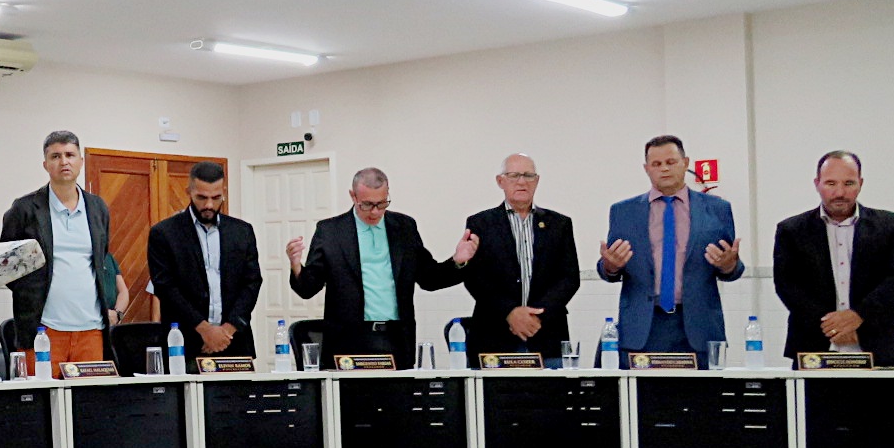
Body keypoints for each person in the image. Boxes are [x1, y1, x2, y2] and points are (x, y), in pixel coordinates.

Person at [285, 167, 476, 368]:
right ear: (353, 196)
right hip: (348, 339)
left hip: (397, 337)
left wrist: (457, 261)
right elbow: (308, 288)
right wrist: (296, 264)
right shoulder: (331, 231)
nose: (375, 211)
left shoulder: (404, 227)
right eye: (367, 204)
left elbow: (429, 278)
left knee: (399, 398)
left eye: (382, 203)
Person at [598, 135, 743, 366]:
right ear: (646, 169)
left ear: (685, 163)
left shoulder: (717, 209)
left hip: (698, 326)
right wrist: (610, 266)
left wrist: (729, 265)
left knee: (702, 399)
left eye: (671, 162)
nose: (664, 169)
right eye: (656, 164)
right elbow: (608, 268)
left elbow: (732, 267)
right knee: (641, 400)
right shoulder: (623, 212)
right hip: (643, 327)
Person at [772, 151, 894, 368]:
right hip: (813, 347)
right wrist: (834, 327)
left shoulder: (892, 226)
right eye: (830, 183)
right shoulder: (791, 230)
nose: (840, 192)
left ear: (861, 183)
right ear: (817, 184)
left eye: (848, 183)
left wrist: (858, 317)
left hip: (878, 345)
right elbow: (787, 284)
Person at [0, 131, 116, 372]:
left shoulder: (98, 208)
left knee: (87, 405)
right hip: (43, 330)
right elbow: (8, 268)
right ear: (45, 164)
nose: (64, 161)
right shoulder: (24, 209)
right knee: (43, 405)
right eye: (56, 156)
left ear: (81, 162)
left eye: (70, 155)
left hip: (91, 329)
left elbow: (100, 257)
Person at [459, 154, 581, 366]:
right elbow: (475, 278)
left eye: (528, 175)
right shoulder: (480, 223)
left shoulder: (559, 224)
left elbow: (569, 278)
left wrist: (535, 316)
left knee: (549, 397)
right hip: (494, 335)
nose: (522, 182)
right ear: (500, 181)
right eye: (514, 175)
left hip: (547, 333)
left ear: (537, 180)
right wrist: (510, 312)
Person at [145, 162, 262, 361]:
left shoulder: (242, 232)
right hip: (185, 342)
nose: (209, 205)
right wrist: (205, 330)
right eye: (202, 197)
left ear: (223, 192)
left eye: (216, 198)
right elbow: (166, 287)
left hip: (234, 340)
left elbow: (251, 283)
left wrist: (227, 329)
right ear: (188, 191)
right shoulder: (164, 234)